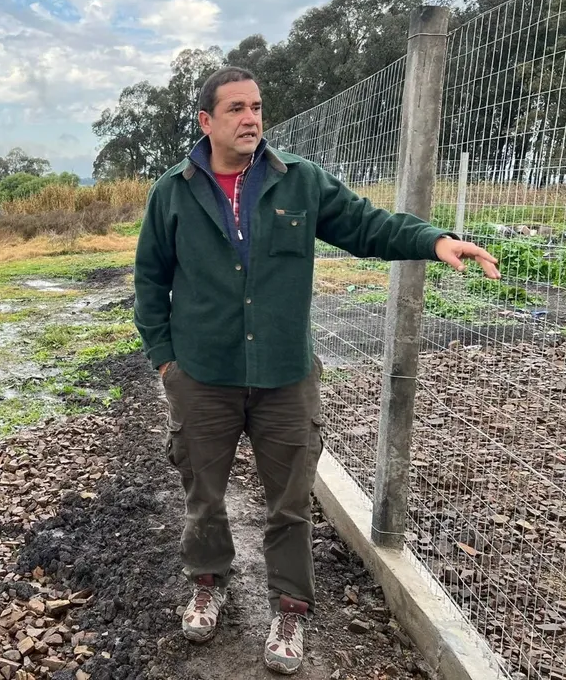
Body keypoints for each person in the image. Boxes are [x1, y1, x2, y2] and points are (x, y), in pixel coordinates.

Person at [132, 67, 500, 675]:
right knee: (203, 492)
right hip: (202, 375)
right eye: (235, 110)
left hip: (284, 374)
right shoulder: (173, 191)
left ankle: (291, 607)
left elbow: (364, 224)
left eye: (256, 107)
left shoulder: (297, 181)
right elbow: (150, 280)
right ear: (206, 122)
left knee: (291, 500)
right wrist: (166, 361)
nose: (251, 119)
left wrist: (434, 241)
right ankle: (207, 581)